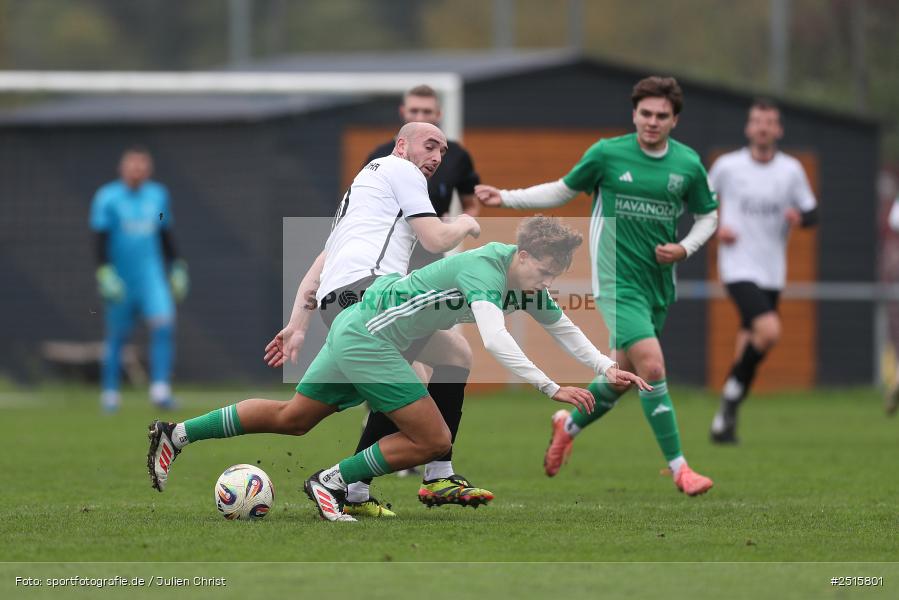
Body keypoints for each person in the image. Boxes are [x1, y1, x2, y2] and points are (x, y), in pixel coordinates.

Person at [148, 216, 650, 523]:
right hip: (371, 338)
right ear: (521, 255)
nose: (544, 283)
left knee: (294, 418)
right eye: (541, 272)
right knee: (431, 436)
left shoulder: (521, 277)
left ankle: (176, 434)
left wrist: (607, 366)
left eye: (552, 276)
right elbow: (496, 336)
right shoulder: (484, 270)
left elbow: (561, 325)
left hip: (364, 329)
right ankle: (335, 481)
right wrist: (550, 386)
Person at [475, 76, 718, 496]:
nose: (653, 122)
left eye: (662, 115)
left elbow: (709, 215)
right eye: (646, 113)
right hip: (615, 282)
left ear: (674, 120)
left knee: (623, 376)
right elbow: (563, 190)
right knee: (653, 367)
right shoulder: (608, 154)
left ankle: (567, 424)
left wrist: (685, 248)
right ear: (635, 114)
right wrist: (507, 197)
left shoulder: (687, 164)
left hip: (657, 285)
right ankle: (680, 469)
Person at [265, 121, 489, 517]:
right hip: (370, 297)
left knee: (297, 416)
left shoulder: (361, 190)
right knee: (424, 399)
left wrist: (298, 323)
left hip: (343, 303)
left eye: (442, 151)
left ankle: (178, 434)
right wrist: (467, 223)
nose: (437, 157)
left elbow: (322, 262)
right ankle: (351, 479)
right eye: (430, 146)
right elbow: (435, 239)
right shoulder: (403, 171)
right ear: (401, 146)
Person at [360, 85, 482, 481]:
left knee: (445, 359)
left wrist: (463, 225)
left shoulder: (456, 156)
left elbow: (469, 200)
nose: (435, 158)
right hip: (386, 282)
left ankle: (431, 463)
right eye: (416, 109)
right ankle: (365, 472)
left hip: (430, 274)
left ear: (441, 112)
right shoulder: (387, 163)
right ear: (403, 118)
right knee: (415, 372)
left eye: (429, 109)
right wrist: (460, 226)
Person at [707, 99, 819, 443]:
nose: (763, 128)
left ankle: (725, 420)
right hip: (737, 265)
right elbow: (702, 203)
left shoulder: (791, 170)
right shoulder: (727, 166)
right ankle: (728, 405)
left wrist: (799, 218)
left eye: (769, 123)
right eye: (757, 122)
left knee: (749, 343)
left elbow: (812, 213)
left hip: (772, 269)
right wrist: (717, 228)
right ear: (748, 127)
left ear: (779, 130)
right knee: (769, 331)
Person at [89, 146, 189, 412]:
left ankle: (160, 390)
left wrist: (177, 265)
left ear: (149, 169)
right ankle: (110, 394)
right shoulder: (107, 198)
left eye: (142, 165)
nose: (137, 170)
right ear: (123, 168)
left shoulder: (157, 196)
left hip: (151, 277)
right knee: (118, 337)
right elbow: (99, 238)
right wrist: (104, 272)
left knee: (164, 325)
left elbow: (164, 231)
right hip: (121, 280)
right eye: (133, 165)